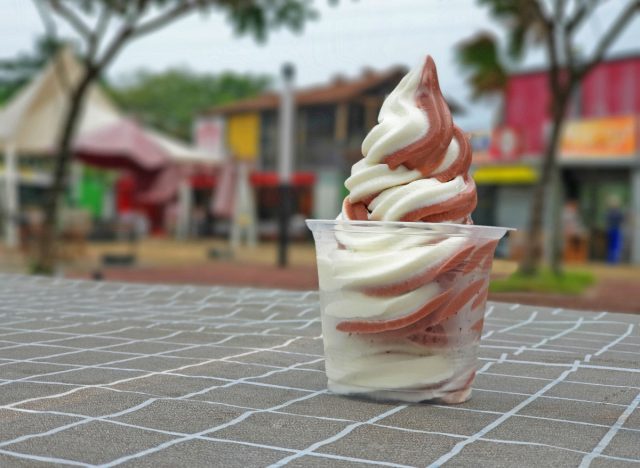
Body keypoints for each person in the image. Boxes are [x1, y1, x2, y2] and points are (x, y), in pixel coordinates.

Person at [605, 195, 625, 264]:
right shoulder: (609, 212)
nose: (614, 204)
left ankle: (615, 260)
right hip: (611, 230)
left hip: (616, 230)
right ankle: (610, 260)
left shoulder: (619, 212)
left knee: (616, 246)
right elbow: (607, 220)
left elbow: (622, 220)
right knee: (610, 245)